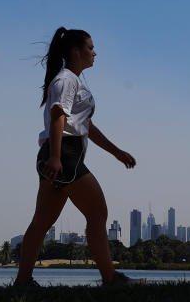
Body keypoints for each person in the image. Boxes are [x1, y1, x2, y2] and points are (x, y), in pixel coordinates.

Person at [14, 27, 136, 287]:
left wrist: (116, 152)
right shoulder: (66, 79)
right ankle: (111, 278)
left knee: (41, 222)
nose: (95, 52)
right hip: (64, 156)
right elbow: (59, 115)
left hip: (57, 155)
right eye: (90, 47)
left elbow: (85, 126)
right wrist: (57, 157)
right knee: (98, 212)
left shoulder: (73, 81)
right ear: (75, 51)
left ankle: (23, 281)